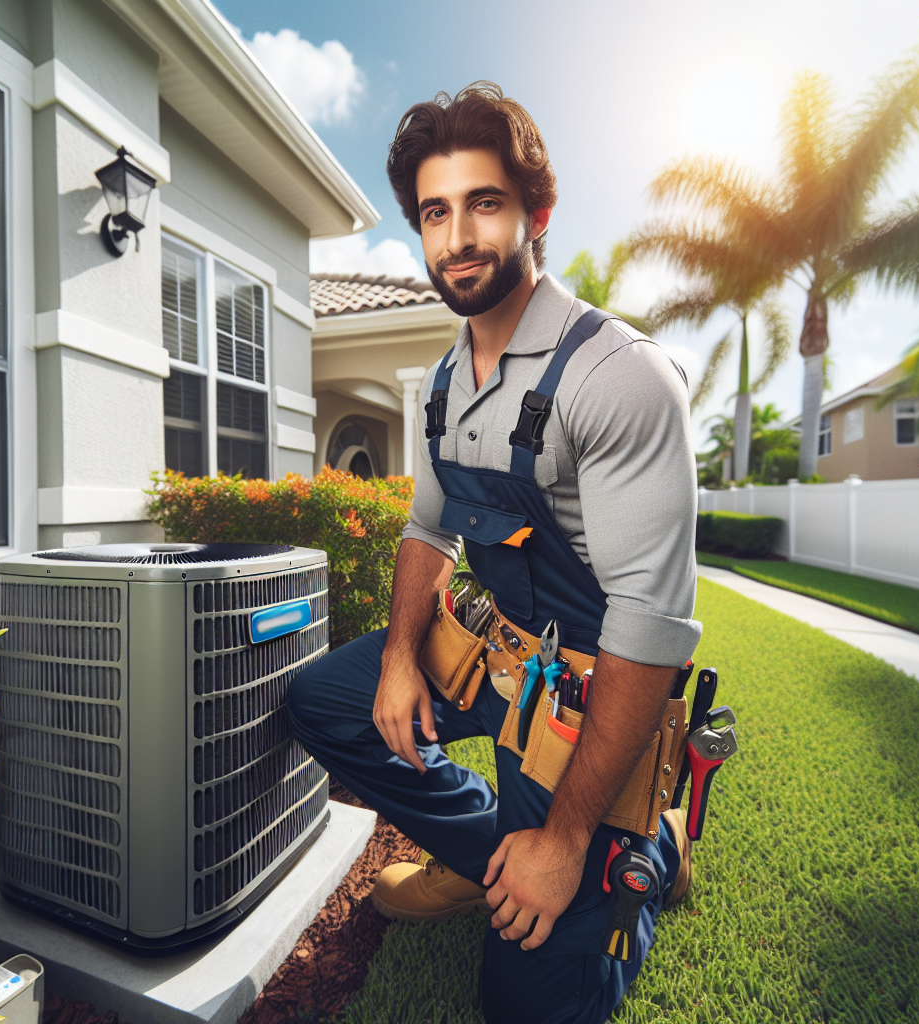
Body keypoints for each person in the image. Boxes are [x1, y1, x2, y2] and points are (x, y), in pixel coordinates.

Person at [287, 81, 702, 1024]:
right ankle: (487, 855)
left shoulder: (618, 378)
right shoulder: (442, 382)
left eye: (484, 203)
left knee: (522, 1003)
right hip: (503, 655)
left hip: (593, 698)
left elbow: (652, 622)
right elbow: (428, 528)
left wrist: (563, 838)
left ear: (535, 214)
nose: (457, 237)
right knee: (327, 702)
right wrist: (398, 661)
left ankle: (646, 854)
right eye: (436, 212)